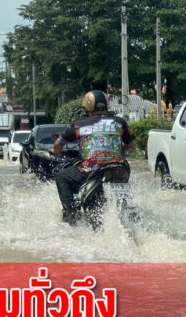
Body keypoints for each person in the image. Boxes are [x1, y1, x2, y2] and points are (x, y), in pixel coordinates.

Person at [49, 90, 135, 224]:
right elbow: (130, 146)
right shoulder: (120, 122)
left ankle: (71, 213)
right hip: (120, 168)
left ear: (87, 107)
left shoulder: (79, 124)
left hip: (91, 169)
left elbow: (57, 145)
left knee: (61, 176)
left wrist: (56, 152)